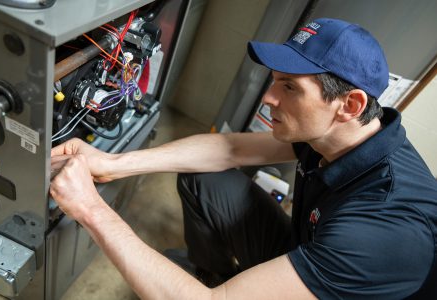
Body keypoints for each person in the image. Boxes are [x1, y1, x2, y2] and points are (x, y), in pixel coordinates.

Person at [50, 18, 437, 299]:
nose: (269, 98)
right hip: (309, 248)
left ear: (349, 104)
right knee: (204, 178)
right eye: (274, 80)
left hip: (333, 284)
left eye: (289, 87)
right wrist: (113, 164)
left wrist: (90, 209)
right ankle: (215, 273)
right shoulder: (343, 132)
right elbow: (231, 149)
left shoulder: (385, 230)